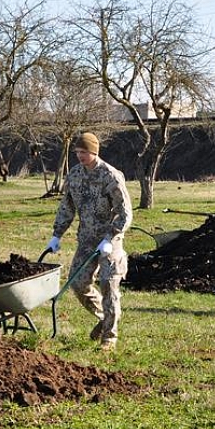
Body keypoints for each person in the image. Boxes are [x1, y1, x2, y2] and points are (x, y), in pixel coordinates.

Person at [44, 132, 133, 351]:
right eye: (77, 152)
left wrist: (111, 237)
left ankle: (109, 338)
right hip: (86, 239)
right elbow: (67, 207)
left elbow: (125, 213)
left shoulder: (110, 176)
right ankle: (105, 318)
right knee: (78, 283)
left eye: (84, 152)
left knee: (108, 285)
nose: (80, 156)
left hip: (109, 241)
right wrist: (57, 234)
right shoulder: (74, 175)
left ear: (94, 152)